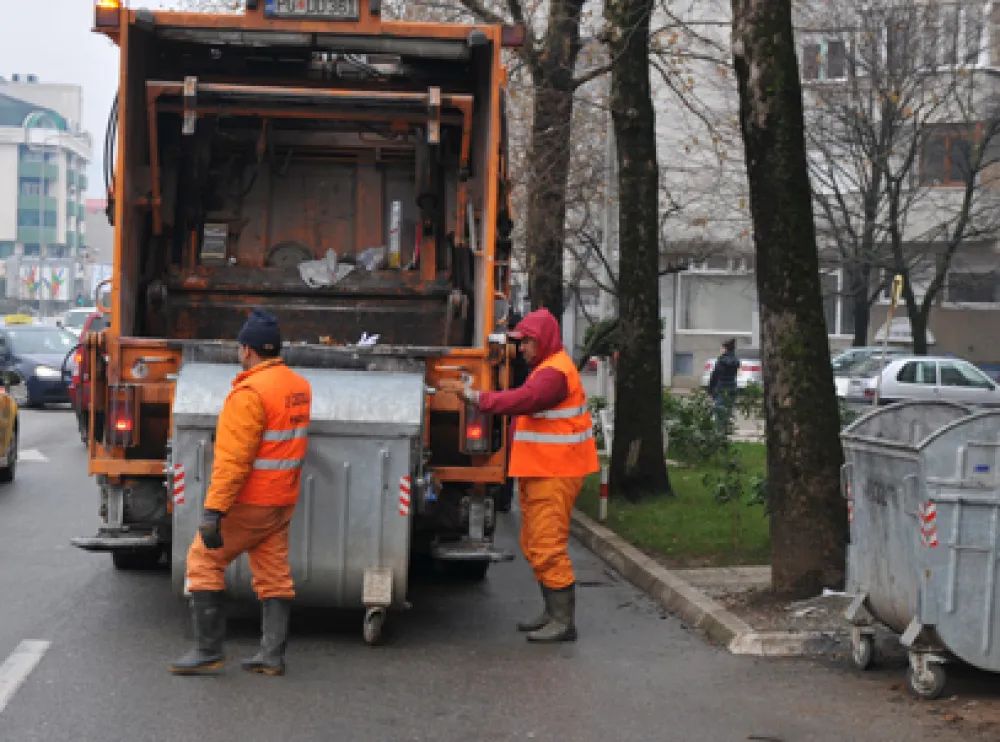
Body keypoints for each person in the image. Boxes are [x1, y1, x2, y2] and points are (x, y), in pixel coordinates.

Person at [440, 308, 599, 643]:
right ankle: (552, 612)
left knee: (546, 545)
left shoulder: (553, 374)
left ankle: (563, 620)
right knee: (533, 542)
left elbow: (525, 400)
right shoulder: (547, 369)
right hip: (543, 469)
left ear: (541, 341)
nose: (521, 349)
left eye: (525, 342)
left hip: (555, 470)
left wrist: (477, 397)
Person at [169, 309, 312, 677]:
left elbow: (234, 460)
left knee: (203, 562)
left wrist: (214, 511)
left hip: (250, 501)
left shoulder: (248, 394)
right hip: (282, 501)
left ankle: (207, 649)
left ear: (247, 351)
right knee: (273, 573)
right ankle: (271, 655)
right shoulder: (298, 386)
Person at [708, 338, 740, 431]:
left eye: (722, 348)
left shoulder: (721, 361)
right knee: (728, 412)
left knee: (719, 413)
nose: (721, 350)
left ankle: (719, 433)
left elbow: (715, 376)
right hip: (732, 388)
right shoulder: (736, 361)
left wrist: (710, 389)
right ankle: (725, 430)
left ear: (725, 349)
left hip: (721, 388)